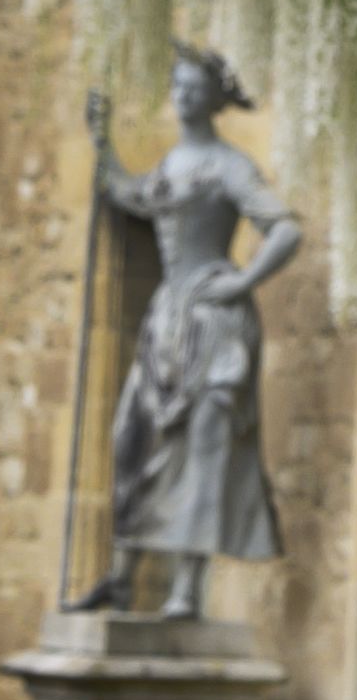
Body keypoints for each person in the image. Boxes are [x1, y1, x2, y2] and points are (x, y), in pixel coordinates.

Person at [63, 46, 298, 623]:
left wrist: (243, 282)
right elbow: (128, 194)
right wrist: (99, 143)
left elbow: (286, 228)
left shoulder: (230, 166)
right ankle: (121, 579)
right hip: (167, 317)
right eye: (179, 85)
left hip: (211, 320)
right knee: (133, 439)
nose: (184, 95)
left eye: (195, 86)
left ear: (216, 100)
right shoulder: (171, 164)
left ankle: (185, 590)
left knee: (201, 451)